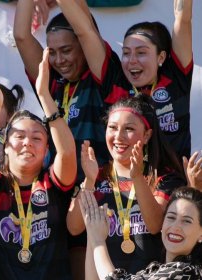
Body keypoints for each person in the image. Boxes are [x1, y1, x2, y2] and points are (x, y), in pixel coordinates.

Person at [0, 49, 77, 279]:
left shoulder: (52, 185)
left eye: (37, 138)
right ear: (6, 145)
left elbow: (68, 153)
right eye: (19, 137)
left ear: (47, 149)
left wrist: (44, 95)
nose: (27, 142)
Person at [56, 0, 194, 161]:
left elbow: (183, 19)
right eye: (126, 53)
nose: (132, 60)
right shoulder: (113, 79)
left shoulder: (175, 77)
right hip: (120, 184)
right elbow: (85, 31)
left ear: (161, 57)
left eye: (141, 53)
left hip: (170, 183)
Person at [67, 94, 186, 273]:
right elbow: (74, 227)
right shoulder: (97, 176)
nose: (119, 137)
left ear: (146, 135)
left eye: (129, 129)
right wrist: (89, 181)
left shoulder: (164, 178)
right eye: (112, 128)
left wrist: (137, 176)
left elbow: (155, 225)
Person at [14, 0, 111, 183]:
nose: (59, 60)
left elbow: (85, 29)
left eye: (66, 50)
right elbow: (21, 36)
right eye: (52, 52)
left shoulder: (101, 76)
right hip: (60, 190)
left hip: (99, 188)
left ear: (83, 46)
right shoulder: (52, 83)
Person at [80, 187, 202, 279]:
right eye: (171, 217)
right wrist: (92, 232)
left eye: (186, 221)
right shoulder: (153, 270)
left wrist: (98, 242)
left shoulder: (187, 273)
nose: (175, 226)